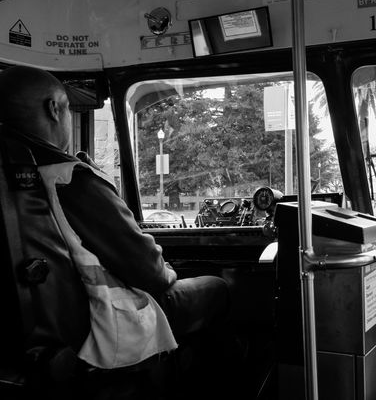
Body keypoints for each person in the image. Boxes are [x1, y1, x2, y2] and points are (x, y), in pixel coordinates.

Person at [0, 66, 232, 379]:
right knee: (218, 287)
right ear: (54, 109)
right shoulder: (70, 178)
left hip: (32, 334)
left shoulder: (13, 180)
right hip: (103, 323)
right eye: (70, 108)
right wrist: (168, 270)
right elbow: (151, 273)